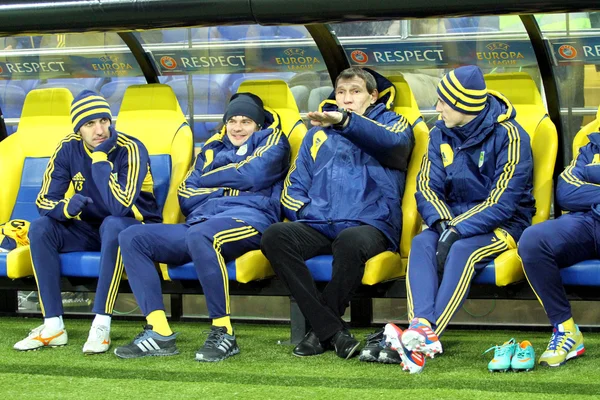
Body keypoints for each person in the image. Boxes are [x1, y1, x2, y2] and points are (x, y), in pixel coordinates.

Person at [114, 93, 290, 361]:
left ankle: (224, 332)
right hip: (201, 221)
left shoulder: (274, 140)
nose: (238, 127)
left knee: (200, 235)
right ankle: (159, 331)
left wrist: (210, 182)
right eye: (232, 120)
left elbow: (253, 174)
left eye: (246, 121)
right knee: (132, 236)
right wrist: (232, 185)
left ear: (257, 125)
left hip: (250, 220)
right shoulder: (211, 148)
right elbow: (186, 195)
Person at [260, 67, 415, 360]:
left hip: (369, 223)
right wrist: (308, 209)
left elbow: (395, 147)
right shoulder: (316, 134)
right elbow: (293, 189)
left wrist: (347, 122)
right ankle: (331, 329)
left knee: (349, 241)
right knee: (275, 236)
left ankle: (320, 330)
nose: (347, 99)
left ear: (373, 96)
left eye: (355, 92)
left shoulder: (394, 124)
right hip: (320, 220)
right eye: (341, 93)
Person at [399, 65, 535, 372]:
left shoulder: (512, 135)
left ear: (464, 105)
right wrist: (446, 225)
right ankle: (420, 326)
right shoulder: (438, 134)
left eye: (444, 102)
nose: (437, 108)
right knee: (422, 243)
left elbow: (503, 201)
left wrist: (456, 230)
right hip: (450, 221)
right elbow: (425, 187)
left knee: (463, 250)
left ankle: (424, 335)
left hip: (504, 224)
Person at [13, 90, 161, 353]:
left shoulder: (132, 148)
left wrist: (101, 157)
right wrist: (66, 210)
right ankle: (53, 325)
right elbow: (44, 201)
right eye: (89, 124)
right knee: (41, 228)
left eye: (104, 121)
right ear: (79, 129)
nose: (99, 130)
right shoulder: (67, 148)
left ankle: (101, 324)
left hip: (135, 229)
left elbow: (121, 206)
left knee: (113, 223)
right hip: (91, 228)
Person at [516, 133, 599, 367]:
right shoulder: (591, 148)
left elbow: (579, 192)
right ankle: (566, 329)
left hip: (590, 211)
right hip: (588, 220)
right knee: (533, 240)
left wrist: (591, 189)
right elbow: (567, 192)